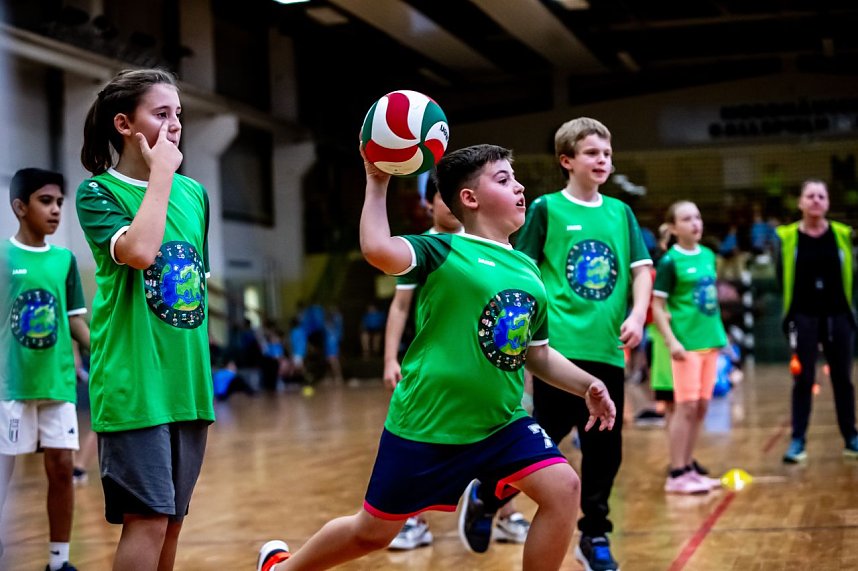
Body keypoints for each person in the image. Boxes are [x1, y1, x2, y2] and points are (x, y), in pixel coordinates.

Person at [256, 144, 617, 571]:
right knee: (371, 532)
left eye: (515, 178)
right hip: (429, 423)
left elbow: (536, 353)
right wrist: (377, 183)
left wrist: (587, 385)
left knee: (563, 488)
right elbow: (376, 249)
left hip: (499, 421)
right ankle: (281, 569)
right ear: (469, 198)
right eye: (503, 180)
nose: (519, 187)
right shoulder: (441, 251)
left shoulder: (528, 268)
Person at [75, 68, 215, 571]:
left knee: (172, 522)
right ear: (123, 124)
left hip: (187, 382)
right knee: (148, 519)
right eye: (161, 114)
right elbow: (139, 251)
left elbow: (193, 281)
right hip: (135, 382)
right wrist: (160, 175)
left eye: (179, 114)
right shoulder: (98, 194)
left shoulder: (195, 194)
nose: (175, 124)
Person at [514, 117, 651, 571]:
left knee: (604, 451)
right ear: (567, 160)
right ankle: (490, 500)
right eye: (593, 153)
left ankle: (594, 535)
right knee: (545, 440)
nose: (603, 161)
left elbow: (642, 270)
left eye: (608, 154)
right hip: (559, 351)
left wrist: (636, 313)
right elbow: (523, 271)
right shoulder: (546, 209)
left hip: (608, 348)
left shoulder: (620, 213)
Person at [382, 178, 530, 550]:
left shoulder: (491, 245)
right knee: (426, 447)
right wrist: (389, 358)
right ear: (430, 204)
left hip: (488, 371)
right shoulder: (426, 248)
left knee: (508, 439)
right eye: (439, 197)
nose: (447, 205)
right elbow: (399, 306)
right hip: (437, 373)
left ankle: (506, 513)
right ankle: (413, 520)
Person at [0, 167, 91, 571]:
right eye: (45, 201)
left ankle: (59, 561)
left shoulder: (66, 260)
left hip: (57, 383)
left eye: (59, 202)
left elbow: (74, 319)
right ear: (20, 207)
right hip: (11, 386)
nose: (55, 210)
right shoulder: (2, 258)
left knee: (60, 469)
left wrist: (103, 352)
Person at [775, 179, 858, 463]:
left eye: (821, 196)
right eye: (810, 196)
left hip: (838, 316)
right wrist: (794, 315)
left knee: (843, 379)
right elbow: (780, 276)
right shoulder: (788, 238)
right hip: (804, 316)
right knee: (803, 379)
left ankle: (851, 436)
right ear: (800, 202)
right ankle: (798, 439)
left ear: (828, 203)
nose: (816, 200)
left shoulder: (842, 234)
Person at [651, 201, 726, 494]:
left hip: (711, 342)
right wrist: (672, 341)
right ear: (673, 228)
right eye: (686, 219)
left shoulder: (708, 255)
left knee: (702, 407)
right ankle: (677, 471)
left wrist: (723, 337)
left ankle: (690, 468)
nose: (695, 223)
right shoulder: (670, 261)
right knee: (685, 407)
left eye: (697, 217)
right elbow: (656, 307)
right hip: (686, 346)